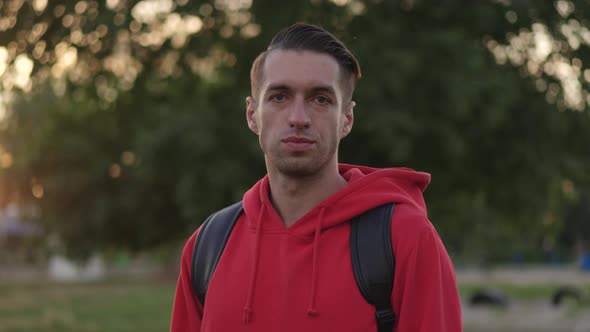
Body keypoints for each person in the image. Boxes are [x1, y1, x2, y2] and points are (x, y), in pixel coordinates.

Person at [170, 23, 462, 332]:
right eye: (279, 97)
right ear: (252, 114)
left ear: (346, 119)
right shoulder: (208, 246)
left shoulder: (405, 238)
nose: (298, 118)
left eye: (320, 99)